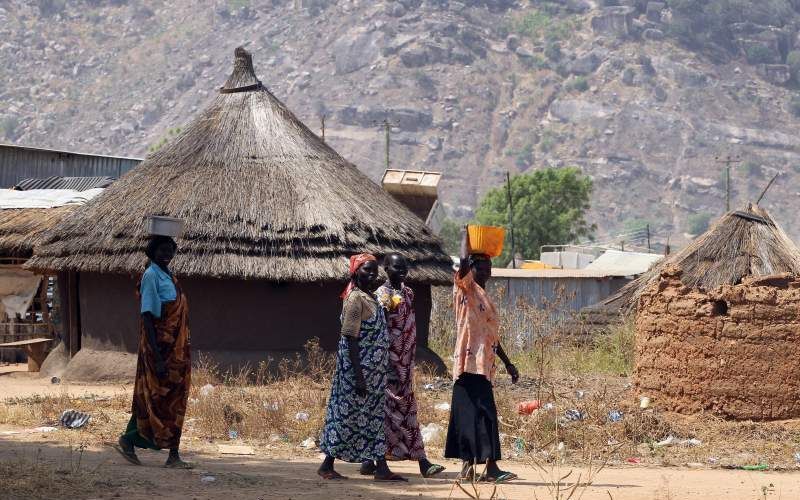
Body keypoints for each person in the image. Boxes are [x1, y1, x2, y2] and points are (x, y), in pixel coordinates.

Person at [318, 254, 406, 481]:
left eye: (374, 270)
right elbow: (350, 338)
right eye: (366, 270)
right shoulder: (355, 299)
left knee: (373, 419)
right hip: (357, 372)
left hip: (374, 374)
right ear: (355, 272)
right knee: (346, 416)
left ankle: (382, 468)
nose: (372, 274)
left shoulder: (371, 298)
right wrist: (358, 376)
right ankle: (327, 465)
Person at [360, 254, 445, 478]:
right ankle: (422, 462)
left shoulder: (408, 293)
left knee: (398, 412)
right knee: (392, 414)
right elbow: (379, 330)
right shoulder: (381, 296)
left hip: (405, 366)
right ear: (386, 269)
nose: (402, 271)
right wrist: (387, 365)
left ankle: (370, 460)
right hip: (388, 366)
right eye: (397, 267)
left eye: (404, 268)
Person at [444, 228, 520, 483]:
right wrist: (467, 240)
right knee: (468, 416)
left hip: (483, 365)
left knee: (485, 415)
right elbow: (463, 264)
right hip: (466, 364)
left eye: (490, 268)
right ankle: (476, 467)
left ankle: (487, 467)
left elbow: (491, 337)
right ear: (472, 268)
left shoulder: (485, 298)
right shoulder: (465, 288)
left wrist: (508, 364)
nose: (488, 272)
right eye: (483, 267)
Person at [113, 234, 192, 469]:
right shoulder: (150, 276)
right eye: (162, 250)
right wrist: (156, 356)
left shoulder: (170, 276)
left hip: (176, 351)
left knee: (175, 398)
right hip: (159, 349)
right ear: (152, 251)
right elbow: (148, 316)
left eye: (170, 250)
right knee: (156, 398)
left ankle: (173, 455)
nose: (167, 254)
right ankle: (129, 439)